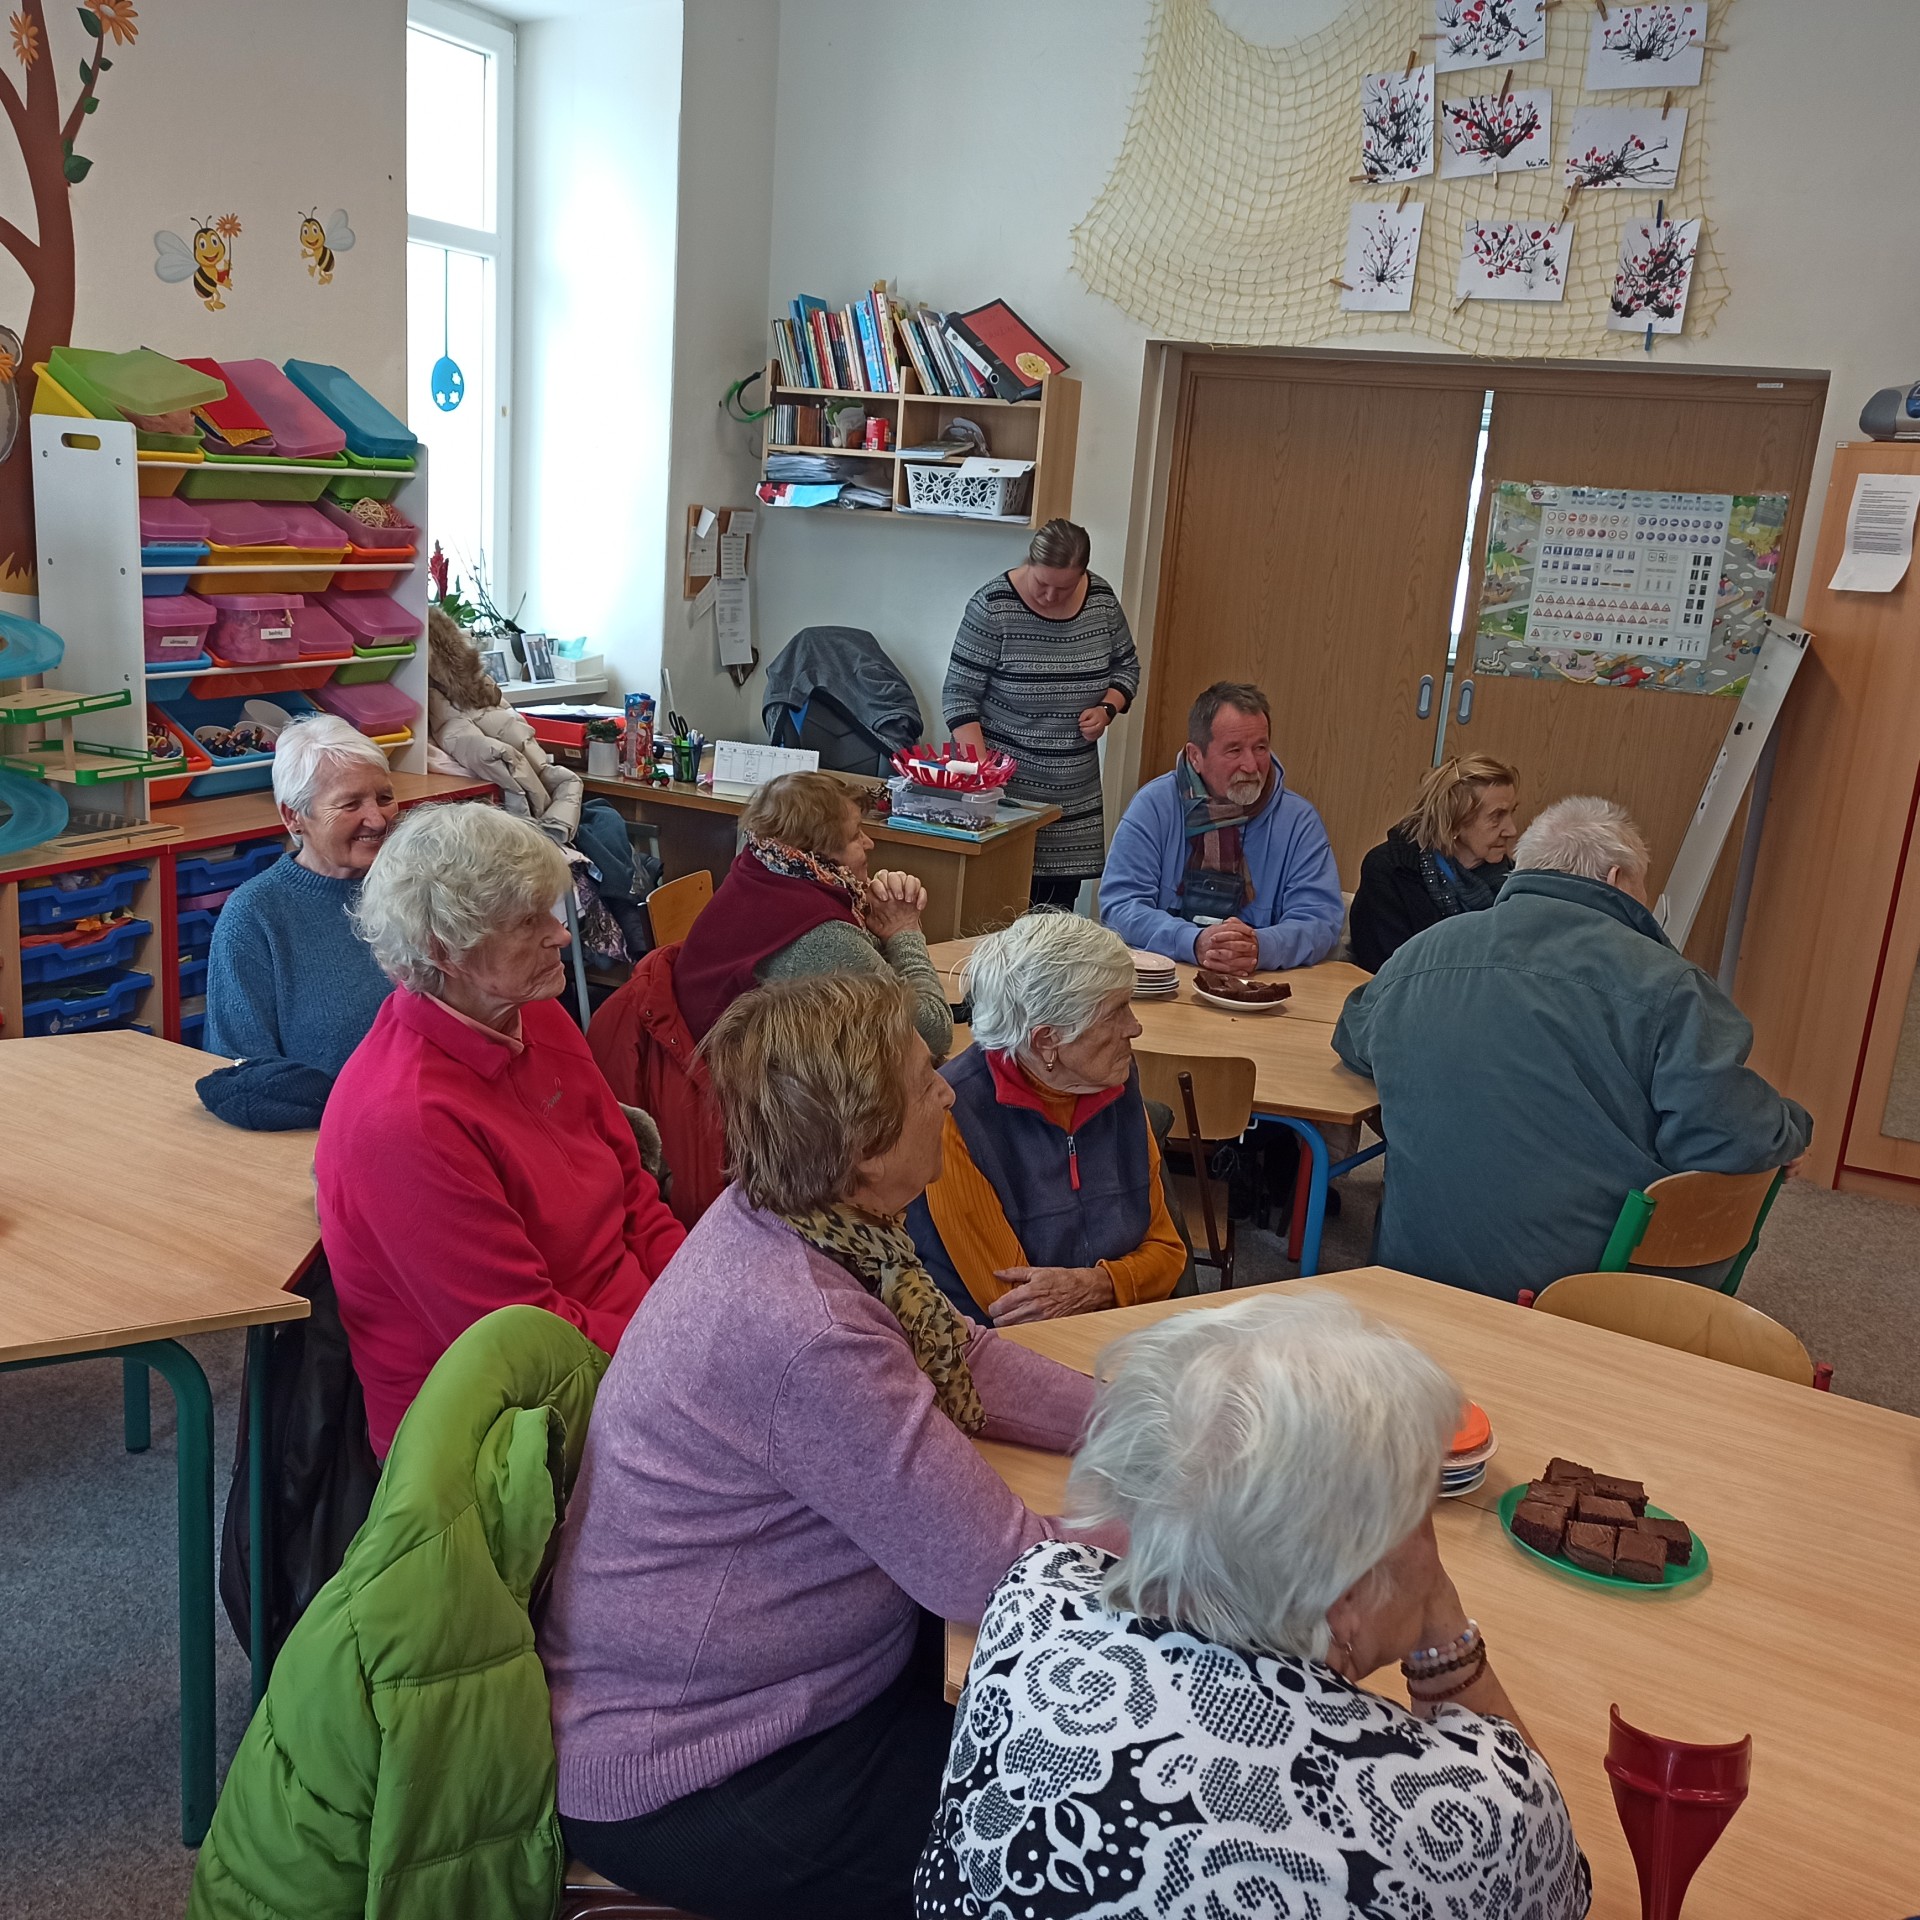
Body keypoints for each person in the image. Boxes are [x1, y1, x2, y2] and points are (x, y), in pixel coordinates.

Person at [540, 973, 1099, 1920]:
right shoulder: (805, 1329)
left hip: (792, 1691)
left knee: (1072, 1744)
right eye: (923, 1080)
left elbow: (960, 1355)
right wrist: (1207, 1529)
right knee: (1062, 1847)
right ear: (864, 1149)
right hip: (707, 1766)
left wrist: (1145, 1422)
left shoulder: (807, 1226)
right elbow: (1000, 1576)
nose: (948, 1092)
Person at [917, 1292, 1590, 1920]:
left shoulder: (1034, 1597)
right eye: (1418, 1513)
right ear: (1344, 1592)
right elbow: (1558, 1890)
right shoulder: (1472, 1818)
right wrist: (1440, 1621)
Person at [1333, 795, 1812, 1299]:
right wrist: (1791, 1125)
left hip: (1414, 1271)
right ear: (1616, 880)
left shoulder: (1423, 952)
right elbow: (1730, 1138)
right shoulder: (1670, 986)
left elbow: (1353, 1036)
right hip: (1582, 1289)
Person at [316, 802, 684, 1455]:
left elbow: (634, 1193)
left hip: (630, 1344)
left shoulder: (530, 1012)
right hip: (505, 1438)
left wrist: (698, 1303)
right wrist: (686, 1358)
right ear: (445, 950)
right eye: (527, 921)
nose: (561, 934)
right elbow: (531, 1350)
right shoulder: (403, 1122)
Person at [907, 912, 1186, 1325]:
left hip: (1121, 1330)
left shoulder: (1115, 1081)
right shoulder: (955, 1113)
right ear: (1047, 1040)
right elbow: (1014, 1306)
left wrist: (1099, 1284)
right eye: (1116, 1012)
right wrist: (1130, 1281)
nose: (1135, 1027)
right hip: (1003, 1347)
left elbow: (1168, 1255)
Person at [200, 714, 398, 1129]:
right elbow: (247, 1076)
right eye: (350, 804)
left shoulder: (418, 886)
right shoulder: (255, 916)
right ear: (294, 817)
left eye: (384, 797)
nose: (378, 819)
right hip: (319, 1135)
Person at [672, 769, 952, 1058]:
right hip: (730, 1082)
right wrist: (904, 930)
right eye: (856, 835)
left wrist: (875, 918)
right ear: (820, 853)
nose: (869, 843)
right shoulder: (819, 936)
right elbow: (932, 1033)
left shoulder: (762, 870)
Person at [945, 518, 1139, 908]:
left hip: (1071, 799)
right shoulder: (993, 605)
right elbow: (959, 697)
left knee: (1055, 916)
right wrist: (982, 775)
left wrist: (1107, 708)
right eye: (1041, 583)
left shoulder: (1101, 601)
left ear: (1082, 575)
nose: (1050, 596)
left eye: (1063, 588)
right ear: (1029, 563)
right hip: (1004, 795)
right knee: (997, 911)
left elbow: (1127, 667)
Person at [1100, 680, 1343, 973]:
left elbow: (1320, 921)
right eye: (1234, 750)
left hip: (1260, 983)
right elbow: (1120, 906)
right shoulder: (1154, 805)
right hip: (1165, 980)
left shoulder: (1299, 821)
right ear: (1195, 757)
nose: (1251, 766)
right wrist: (1193, 942)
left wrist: (1259, 947)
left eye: (1260, 747)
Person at [1349, 752, 1521, 972]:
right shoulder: (1391, 871)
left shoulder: (1515, 883)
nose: (1511, 830)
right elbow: (1384, 971)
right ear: (1454, 820)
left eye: (1511, 813)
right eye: (1497, 816)